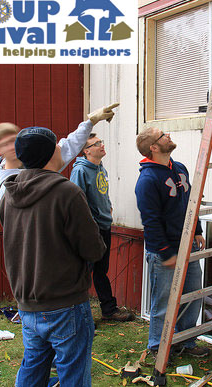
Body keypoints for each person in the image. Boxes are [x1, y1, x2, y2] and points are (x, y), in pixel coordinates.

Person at [0, 127, 106, 387]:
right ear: (49, 154)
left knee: (33, 366)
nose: (61, 148)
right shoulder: (67, 193)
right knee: (73, 375)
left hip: (28, 304)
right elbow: (94, 249)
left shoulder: (9, 194)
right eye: (57, 145)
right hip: (66, 304)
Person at [134, 127, 210, 358]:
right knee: (164, 302)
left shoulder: (179, 168)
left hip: (188, 245)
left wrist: (197, 230)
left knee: (193, 294)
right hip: (164, 252)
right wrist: (166, 253)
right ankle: (157, 347)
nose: (168, 136)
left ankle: (186, 341)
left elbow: (190, 202)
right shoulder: (147, 180)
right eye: (162, 135)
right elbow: (151, 222)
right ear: (154, 147)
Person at [0, 103, 119, 202]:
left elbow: (67, 146)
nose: (12, 147)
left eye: (14, 140)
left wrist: (91, 122)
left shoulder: (38, 163)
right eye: (6, 144)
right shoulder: (7, 190)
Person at [70, 134, 135, 322]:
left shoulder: (100, 167)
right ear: (86, 151)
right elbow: (76, 202)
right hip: (91, 230)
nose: (101, 145)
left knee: (101, 270)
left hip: (104, 226)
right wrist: (89, 226)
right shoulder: (80, 171)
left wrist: (109, 207)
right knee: (84, 272)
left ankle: (109, 310)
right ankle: (78, 317)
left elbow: (101, 193)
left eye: (101, 142)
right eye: (96, 143)